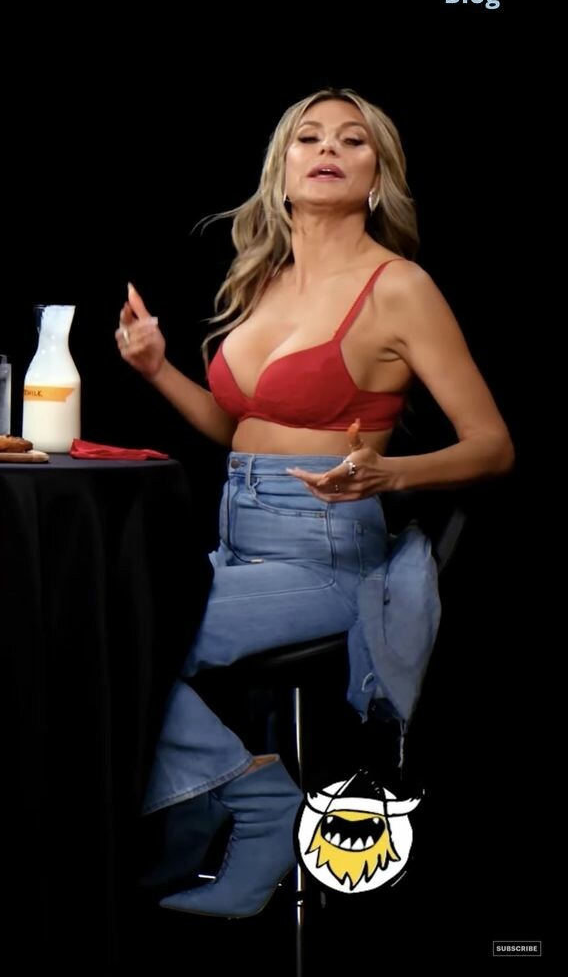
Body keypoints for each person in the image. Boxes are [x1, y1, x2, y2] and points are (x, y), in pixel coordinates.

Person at [115, 88, 514, 917]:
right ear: (283, 168)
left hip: (329, 555)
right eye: (309, 137)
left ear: (378, 175)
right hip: (238, 542)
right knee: (101, 613)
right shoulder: (266, 278)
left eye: (353, 140)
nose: (328, 148)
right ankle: (195, 817)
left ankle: (259, 804)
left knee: (134, 631)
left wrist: (388, 476)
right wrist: (157, 370)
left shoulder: (399, 287)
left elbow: (492, 446)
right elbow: (240, 430)